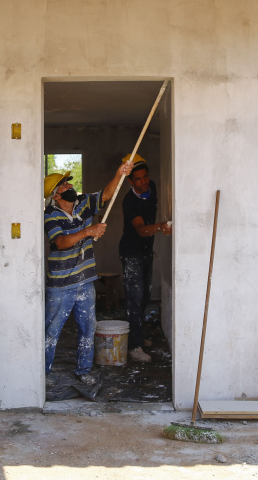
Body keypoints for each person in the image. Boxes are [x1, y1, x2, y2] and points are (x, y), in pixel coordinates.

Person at [43, 161, 133, 384]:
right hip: (61, 285)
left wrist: (119, 173)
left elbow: (106, 195)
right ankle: (41, 374)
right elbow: (61, 242)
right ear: (55, 195)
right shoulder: (50, 215)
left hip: (85, 280)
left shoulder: (83, 203)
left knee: (88, 328)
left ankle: (83, 371)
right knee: (51, 332)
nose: (69, 186)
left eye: (67, 182)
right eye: (63, 185)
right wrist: (88, 231)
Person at [118, 154, 171, 363]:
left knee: (145, 297)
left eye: (145, 177)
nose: (143, 182)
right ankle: (134, 347)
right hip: (131, 253)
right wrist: (160, 227)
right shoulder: (129, 201)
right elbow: (141, 230)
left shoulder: (153, 187)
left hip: (147, 252)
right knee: (134, 299)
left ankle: (137, 335)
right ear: (130, 181)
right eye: (138, 179)